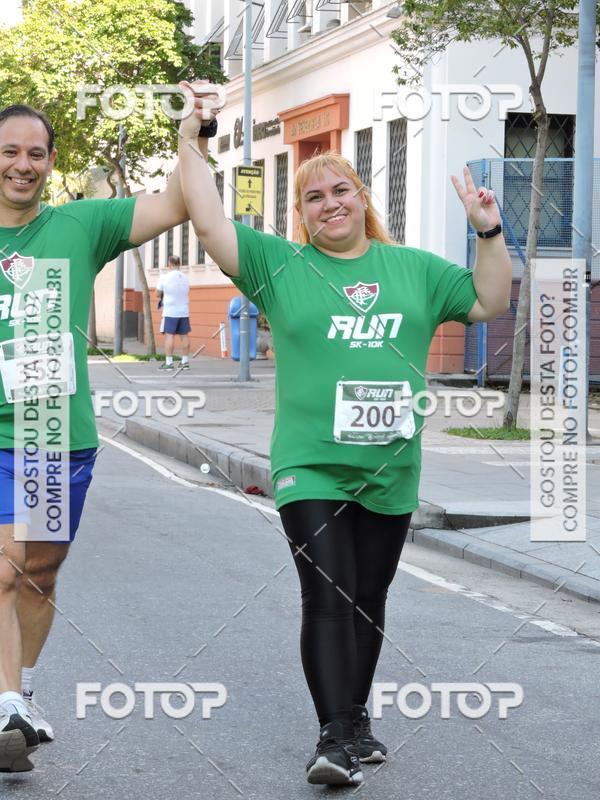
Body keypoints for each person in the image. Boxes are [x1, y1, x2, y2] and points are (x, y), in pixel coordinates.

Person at [177, 80, 512, 786]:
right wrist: (193, 135)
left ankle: (357, 723)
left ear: (363, 198)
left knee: (369, 596)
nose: (330, 204)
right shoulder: (280, 267)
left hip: (389, 469)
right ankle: (333, 739)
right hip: (310, 465)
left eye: (341, 190)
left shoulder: (414, 271)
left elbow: (490, 299)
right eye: (314, 198)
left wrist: (487, 228)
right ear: (301, 216)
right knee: (329, 591)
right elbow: (207, 222)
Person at [0, 96, 219, 772]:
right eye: (10, 150)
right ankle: (4, 704)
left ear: (52, 161)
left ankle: (22, 695)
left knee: (39, 571)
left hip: (52, 431)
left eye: (36, 152)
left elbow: (178, 205)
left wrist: (190, 138)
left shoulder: (82, 225)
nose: (22, 164)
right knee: (4, 568)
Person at [156, 253, 192, 370]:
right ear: (179, 264)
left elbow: (157, 293)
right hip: (184, 310)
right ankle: (185, 362)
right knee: (184, 336)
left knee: (169, 336)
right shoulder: (185, 278)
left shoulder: (165, 277)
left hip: (170, 311)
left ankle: (169, 363)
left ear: (169, 264)